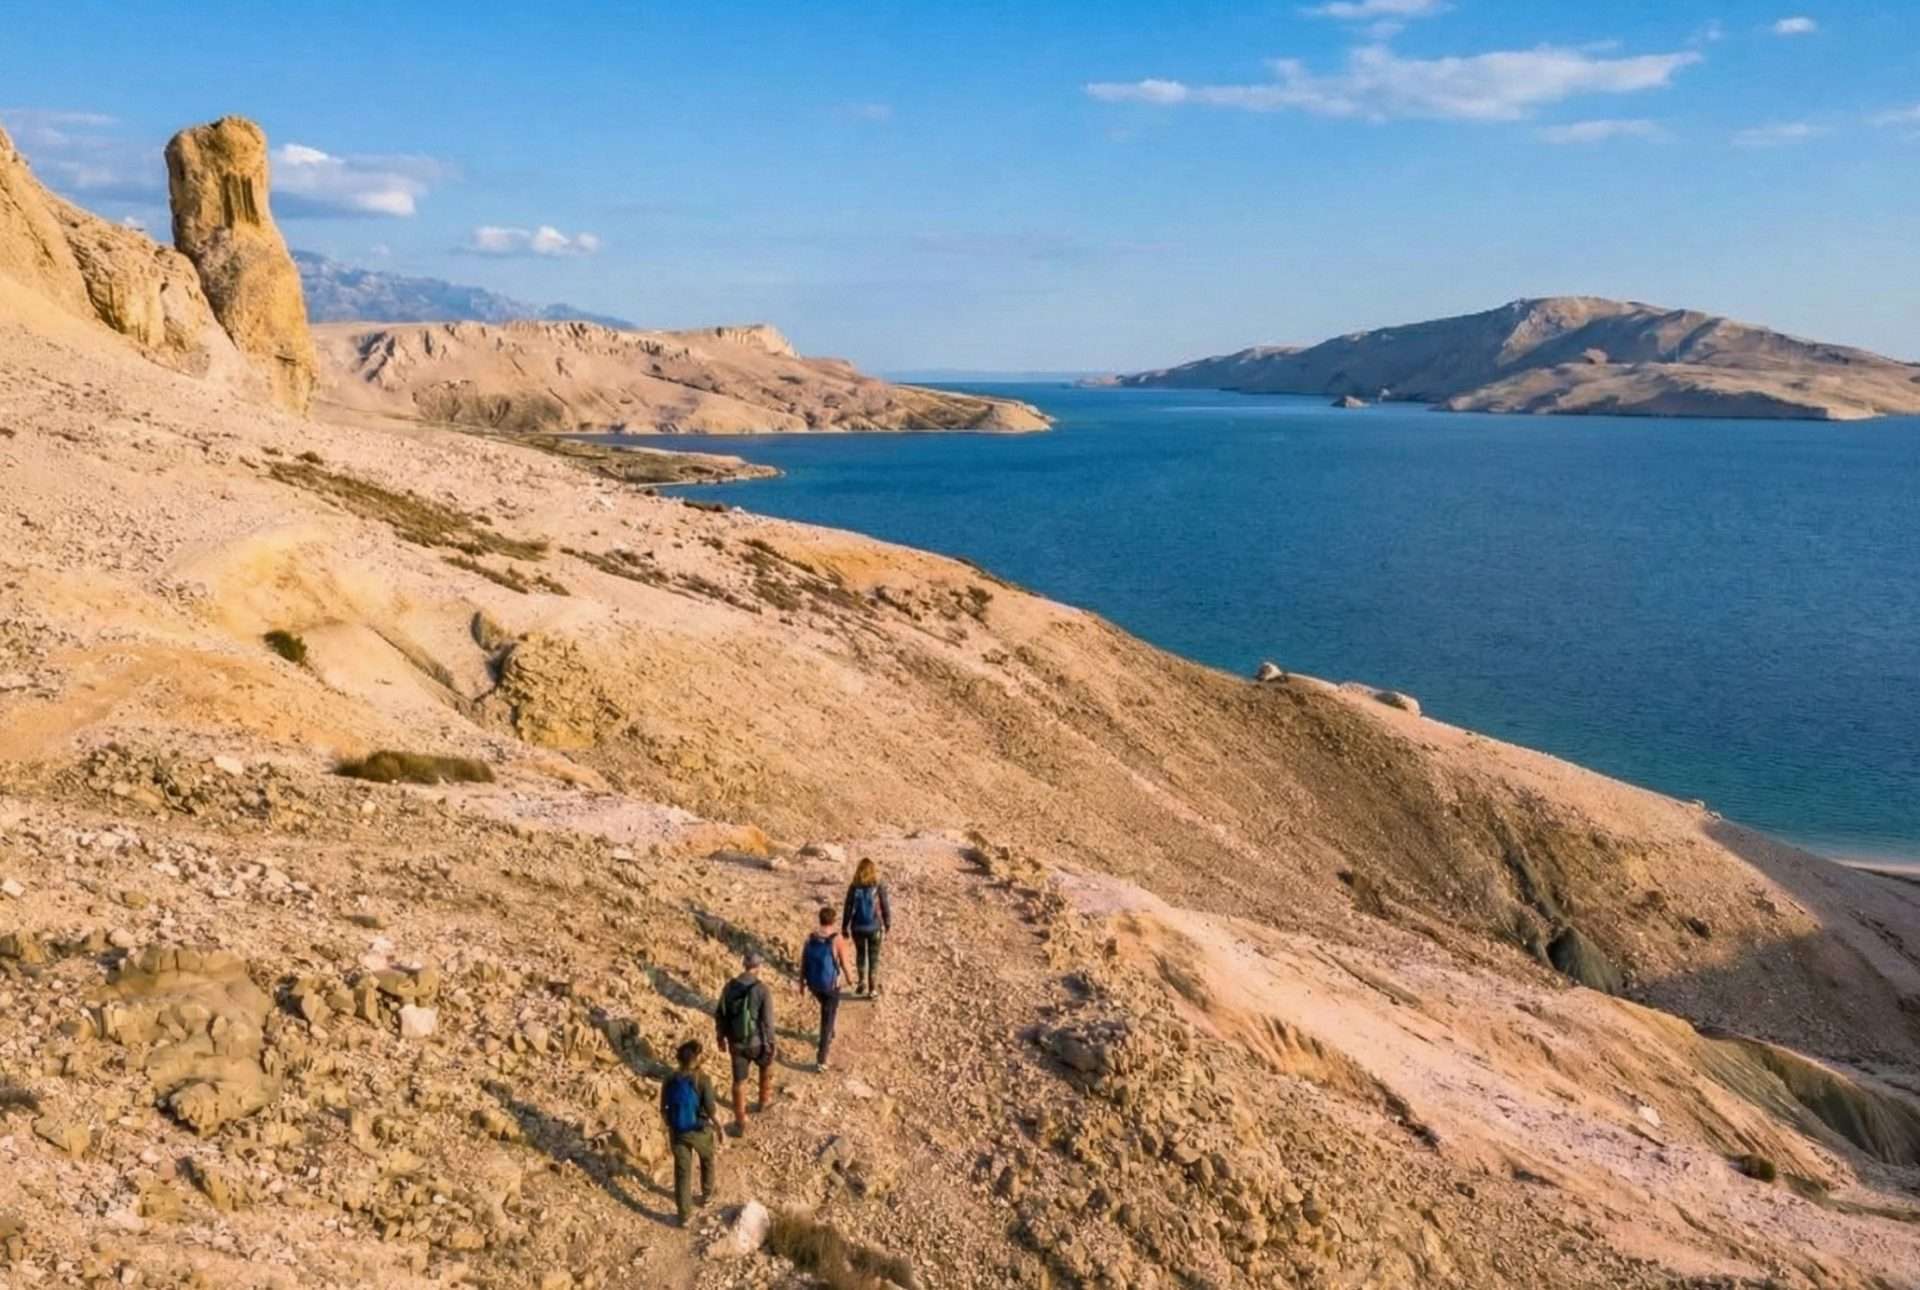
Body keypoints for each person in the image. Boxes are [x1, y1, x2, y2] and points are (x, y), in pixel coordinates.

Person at [714, 948, 775, 1134]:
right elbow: (768, 1021)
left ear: (744, 965)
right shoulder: (762, 989)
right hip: (757, 1042)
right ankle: (763, 1101)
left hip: (736, 1043)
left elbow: (720, 1014)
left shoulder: (729, 986)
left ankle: (740, 1121)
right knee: (766, 1067)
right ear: (758, 966)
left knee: (739, 1082)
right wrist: (771, 1043)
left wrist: (720, 1037)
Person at [659, 1039, 719, 1226]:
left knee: (682, 1172)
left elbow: (663, 1108)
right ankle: (707, 1195)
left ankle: (684, 1215)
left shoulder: (669, 1079)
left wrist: (670, 1125)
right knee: (707, 1159)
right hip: (698, 1130)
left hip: (677, 1131)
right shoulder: (703, 1079)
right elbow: (710, 1109)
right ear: (696, 1059)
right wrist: (719, 1127)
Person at [798, 905, 853, 1070]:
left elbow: (803, 962)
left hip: (814, 984)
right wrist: (850, 979)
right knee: (826, 1019)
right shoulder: (837, 939)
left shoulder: (811, 938)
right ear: (833, 921)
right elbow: (844, 963)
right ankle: (821, 1060)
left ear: (820, 919)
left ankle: (831, 1032)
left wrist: (801, 982)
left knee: (828, 1009)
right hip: (830, 986)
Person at [842, 858, 892, 998]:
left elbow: (848, 908)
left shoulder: (854, 886)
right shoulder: (878, 885)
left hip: (857, 927)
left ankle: (861, 982)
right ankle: (872, 989)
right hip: (874, 927)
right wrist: (887, 923)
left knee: (860, 954)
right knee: (873, 957)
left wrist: (844, 927)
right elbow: (884, 905)